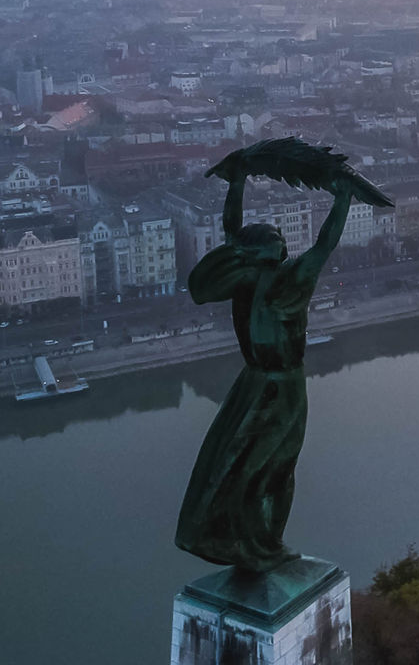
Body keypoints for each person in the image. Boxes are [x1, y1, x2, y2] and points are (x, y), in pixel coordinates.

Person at [174, 151, 355, 572]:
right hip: (283, 387)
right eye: (276, 234)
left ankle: (249, 541)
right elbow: (324, 243)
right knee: (274, 467)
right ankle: (263, 544)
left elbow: (232, 231)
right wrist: (342, 199)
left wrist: (237, 181)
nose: (280, 235)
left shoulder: (245, 281)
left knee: (238, 462)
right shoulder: (292, 280)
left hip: (252, 384)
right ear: (273, 251)